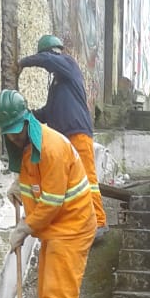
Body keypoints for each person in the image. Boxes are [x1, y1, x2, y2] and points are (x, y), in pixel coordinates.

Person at [0, 88, 96, 298]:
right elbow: (35, 183)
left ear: (27, 120)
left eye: (16, 130)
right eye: (8, 133)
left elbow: (50, 202)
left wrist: (24, 228)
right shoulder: (29, 148)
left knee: (56, 293)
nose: (13, 137)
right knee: (46, 292)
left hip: (73, 226)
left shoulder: (51, 147)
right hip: (57, 227)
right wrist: (20, 188)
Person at [17, 35, 108, 241]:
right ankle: (82, 224)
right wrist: (28, 116)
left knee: (88, 180)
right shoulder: (58, 85)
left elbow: (50, 61)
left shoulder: (68, 64)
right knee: (73, 184)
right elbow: (48, 112)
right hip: (64, 140)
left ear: (51, 53)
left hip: (77, 133)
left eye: (46, 57)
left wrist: (24, 63)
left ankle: (100, 223)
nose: (48, 65)